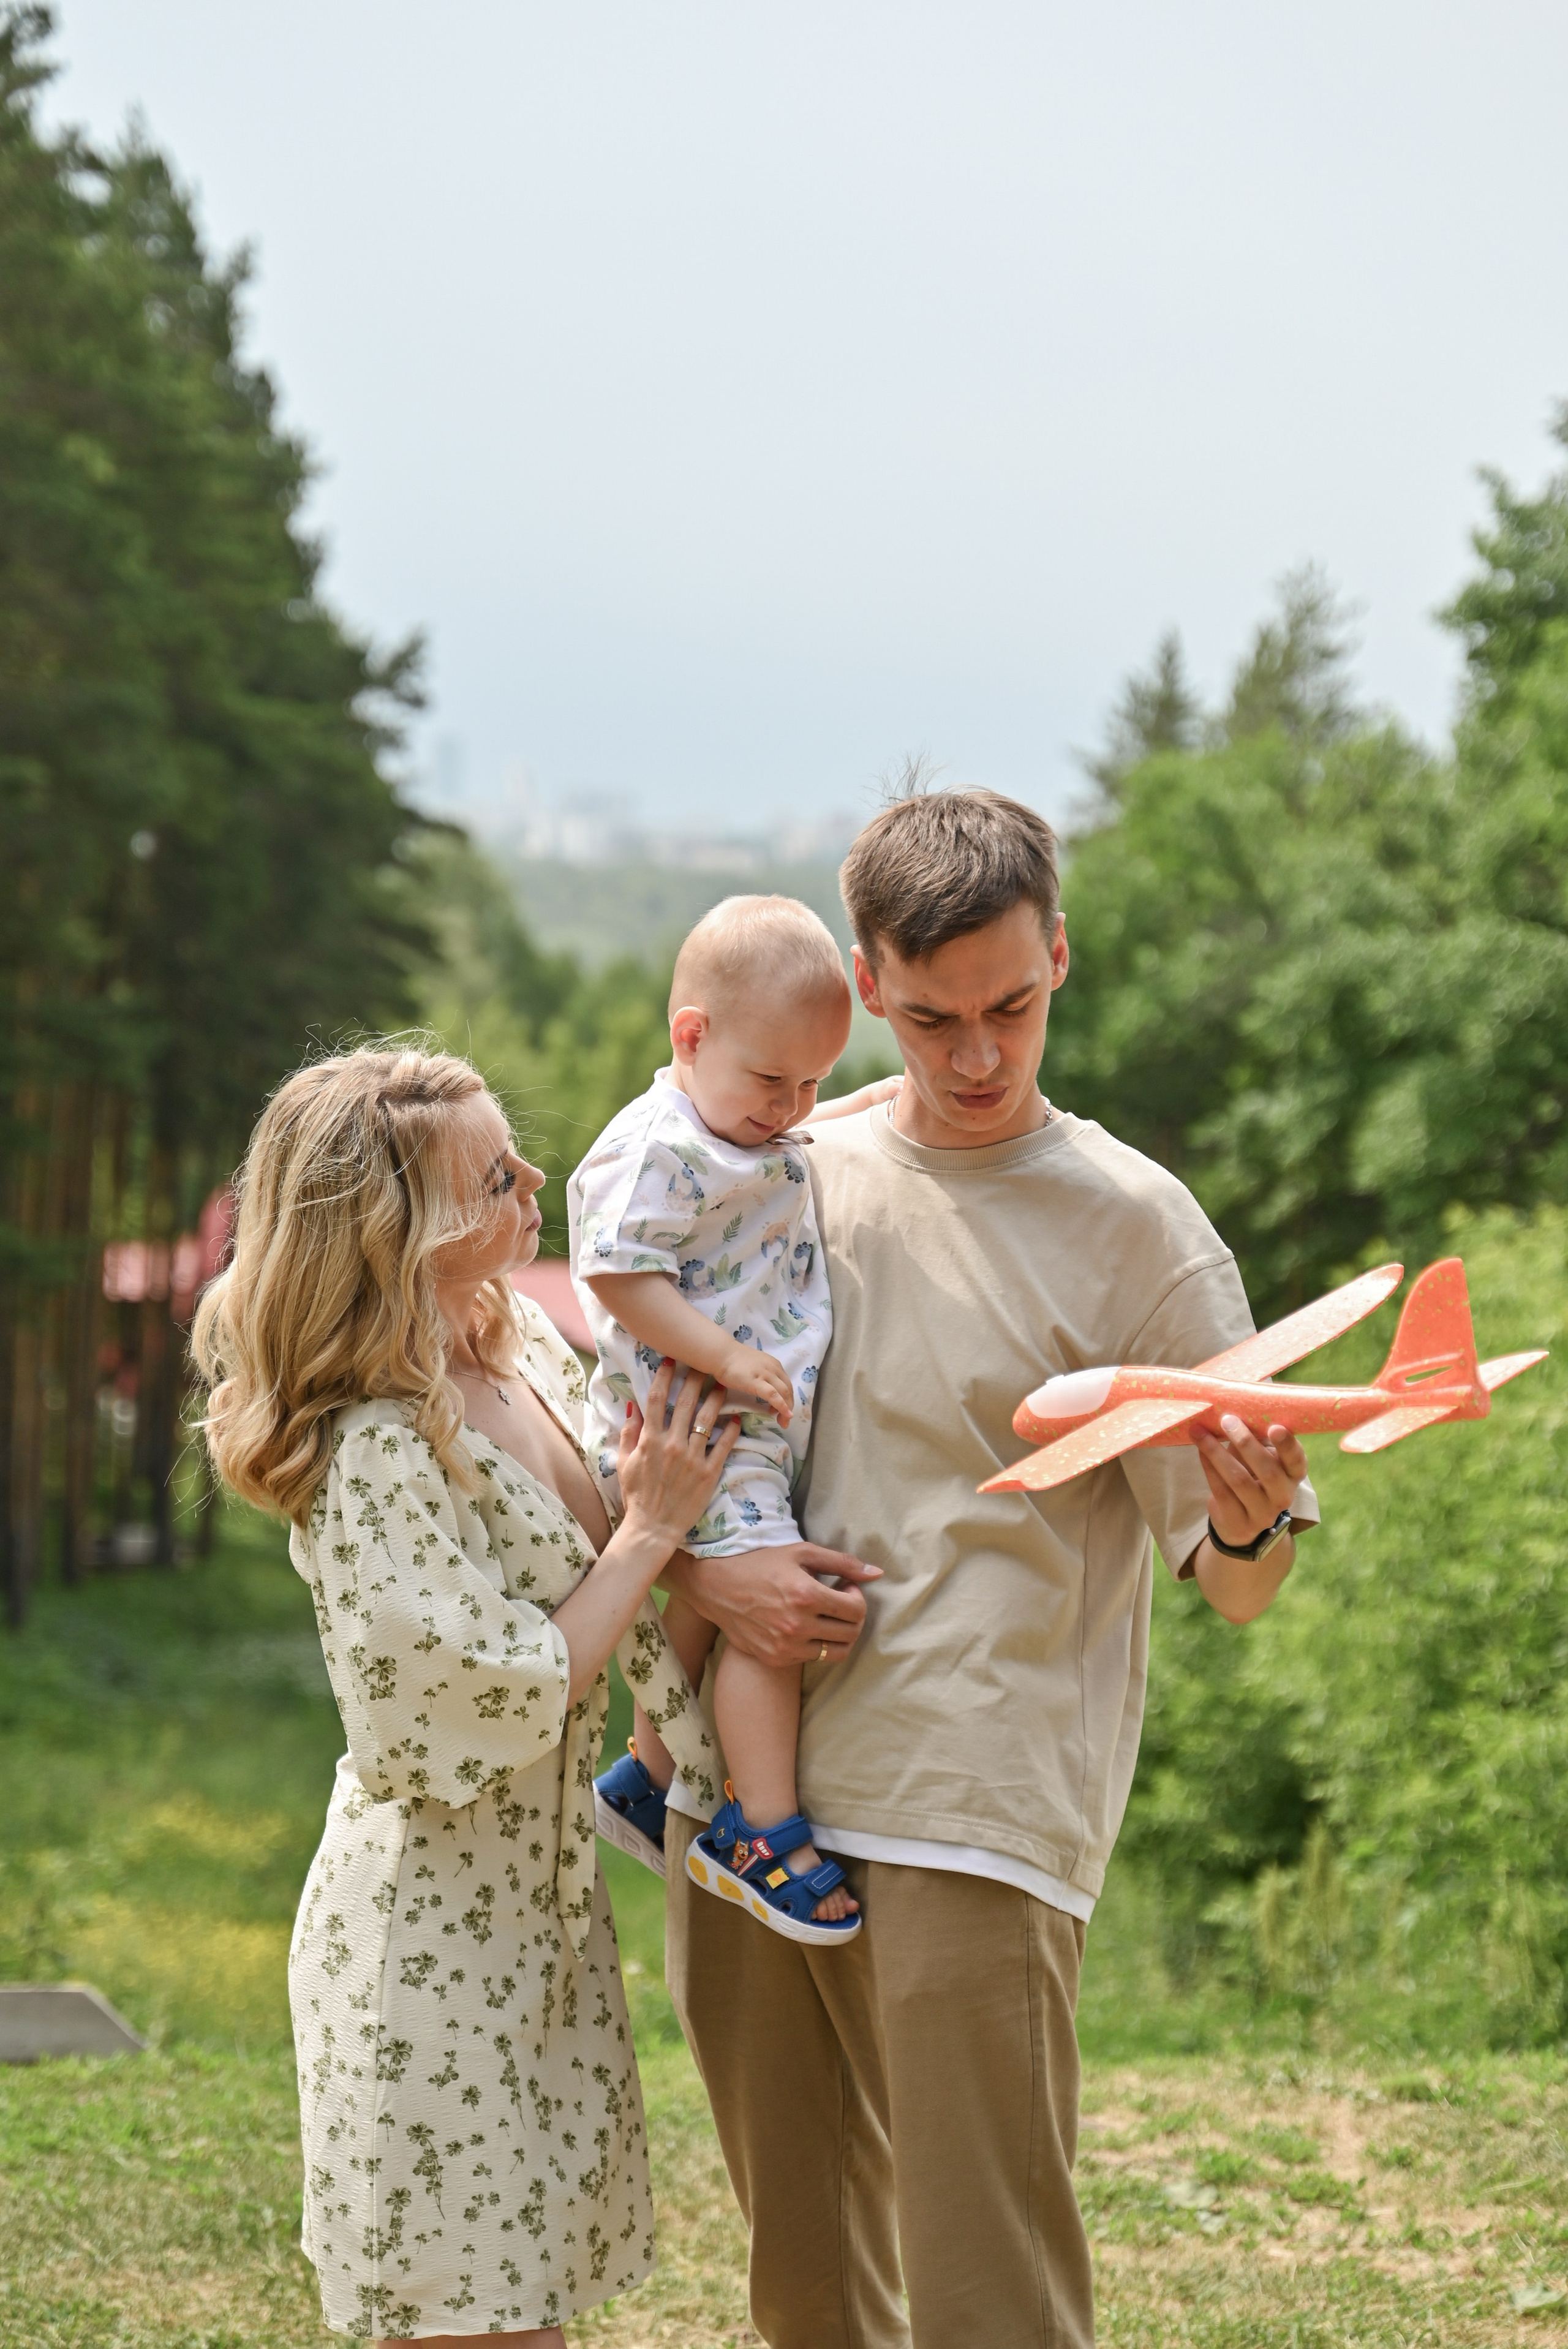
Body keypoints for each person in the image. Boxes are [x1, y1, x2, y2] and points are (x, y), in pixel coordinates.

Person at [657, 788, 1319, 2349]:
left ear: (1060, 961)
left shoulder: (1137, 1231)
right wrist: (705, 1588)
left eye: (1010, 1009)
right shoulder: (773, 1161)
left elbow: (1236, 1581)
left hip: (973, 1804)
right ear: (866, 984)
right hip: (743, 1801)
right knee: (804, 2293)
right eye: (932, 1014)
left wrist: (1241, 1514)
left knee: (984, 2301)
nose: (973, 1057)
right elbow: (662, 1455)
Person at [193, 1046, 734, 2349]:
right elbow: (491, 1694)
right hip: (428, 1943)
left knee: (523, 2314)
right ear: (401, 1227)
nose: (534, 1180)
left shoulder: (512, 1339)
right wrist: (651, 1532)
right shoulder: (373, 1447)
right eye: (496, 1175)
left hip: (535, 1916)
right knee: (469, 2327)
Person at [570, 895, 897, 1942]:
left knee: (728, 1592)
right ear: (691, 1036)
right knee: (770, 1610)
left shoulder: (740, 1118)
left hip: (732, 1414)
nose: (791, 1105)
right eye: (772, 1080)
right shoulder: (657, 1146)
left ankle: (646, 1771)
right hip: (694, 1413)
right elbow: (617, 1270)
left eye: (816, 1080)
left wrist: (883, 1099)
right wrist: (725, 1357)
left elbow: (791, 1142)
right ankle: (761, 1831)